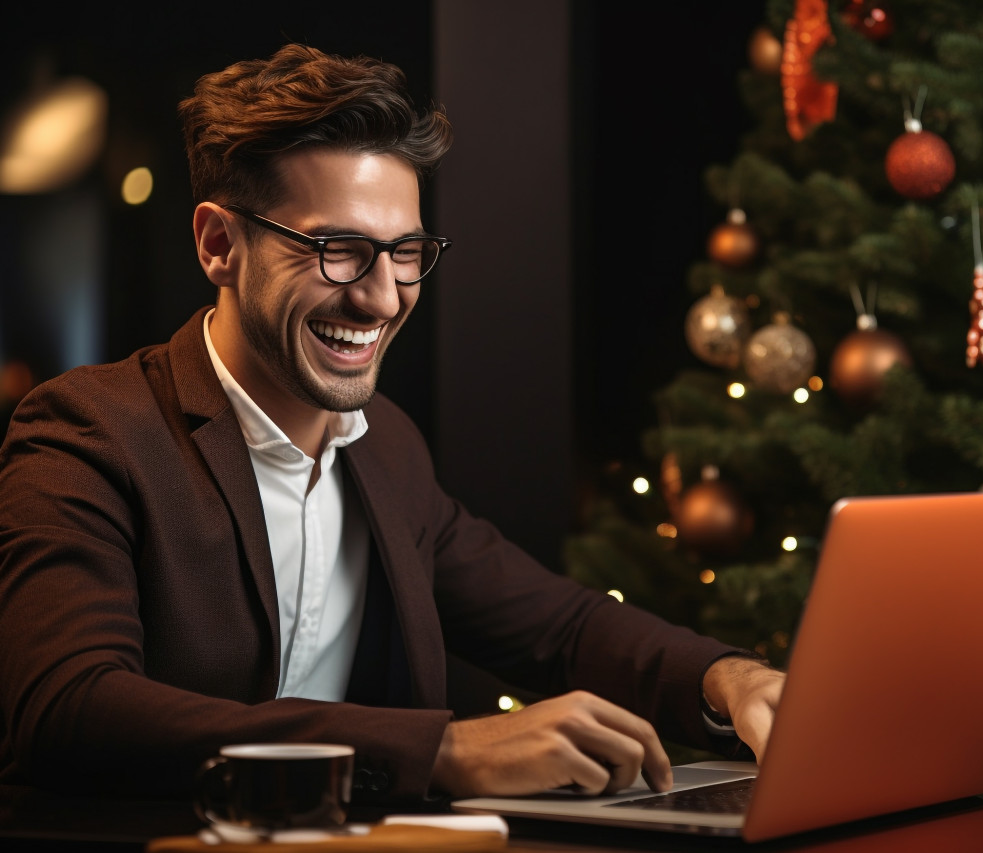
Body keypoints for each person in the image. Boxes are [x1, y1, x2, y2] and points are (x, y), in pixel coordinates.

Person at [0, 44, 784, 804]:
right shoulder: (88, 432)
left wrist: (730, 679)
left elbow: (562, 626)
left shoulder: (389, 447)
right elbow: (70, 708)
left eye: (405, 252)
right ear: (218, 245)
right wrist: (441, 750)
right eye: (338, 250)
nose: (381, 298)